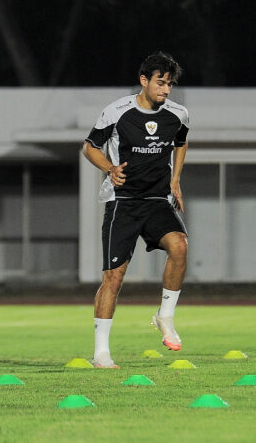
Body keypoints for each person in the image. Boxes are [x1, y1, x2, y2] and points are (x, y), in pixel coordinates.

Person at [82, 51, 190, 368]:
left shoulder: (178, 115)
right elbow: (89, 147)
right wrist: (109, 168)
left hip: (157, 200)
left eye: (170, 84)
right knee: (114, 277)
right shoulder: (117, 112)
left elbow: (181, 142)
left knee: (180, 246)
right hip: (123, 202)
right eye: (160, 83)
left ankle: (164, 317)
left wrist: (175, 179)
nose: (165, 90)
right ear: (144, 81)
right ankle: (101, 352)